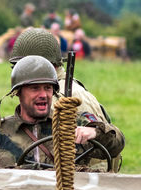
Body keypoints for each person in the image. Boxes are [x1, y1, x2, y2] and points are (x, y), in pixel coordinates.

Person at [0, 55, 124, 169]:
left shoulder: (71, 123)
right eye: (35, 88)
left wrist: (95, 133)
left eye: (48, 88)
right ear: (18, 92)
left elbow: (117, 144)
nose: (43, 95)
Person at [8, 28, 123, 171]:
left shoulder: (63, 95)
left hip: (83, 177)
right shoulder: (66, 87)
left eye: (19, 66)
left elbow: (102, 150)